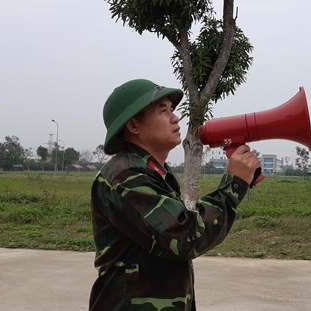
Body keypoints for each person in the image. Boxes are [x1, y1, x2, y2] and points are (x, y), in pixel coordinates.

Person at [89, 79, 260, 310]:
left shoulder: (154, 171)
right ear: (134, 126)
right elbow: (186, 237)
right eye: (163, 111)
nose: (175, 117)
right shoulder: (126, 176)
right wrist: (234, 186)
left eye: (172, 109)